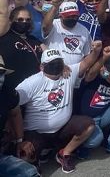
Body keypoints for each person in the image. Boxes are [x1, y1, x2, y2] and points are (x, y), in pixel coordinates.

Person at [16, 44, 101, 173]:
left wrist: (96, 50)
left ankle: (63, 154)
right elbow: (13, 102)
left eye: (58, 62)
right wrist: (18, 139)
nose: (55, 65)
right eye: (51, 63)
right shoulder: (32, 82)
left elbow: (86, 62)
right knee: (24, 155)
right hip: (36, 132)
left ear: (63, 63)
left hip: (62, 129)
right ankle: (37, 158)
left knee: (88, 125)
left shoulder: (68, 74)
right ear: (42, 67)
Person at [76, 47, 110, 158]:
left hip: (103, 115)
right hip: (87, 118)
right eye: (108, 69)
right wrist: (103, 58)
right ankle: (81, 146)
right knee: (96, 140)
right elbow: (90, 74)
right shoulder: (95, 76)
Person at [0, 55, 41, 177]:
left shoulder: (7, 92)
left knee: (30, 173)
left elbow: (15, 113)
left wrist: (19, 141)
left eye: (1, 73)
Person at [42, 0, 92, 69]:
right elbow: (45, 27)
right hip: (53, 70)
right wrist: (54, 7)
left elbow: (87, 54)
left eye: (74, 16)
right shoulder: (54, 25)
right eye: (68, 16)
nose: (72, 18)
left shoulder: (84, 30)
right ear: (60, 16)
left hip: (75, 73)